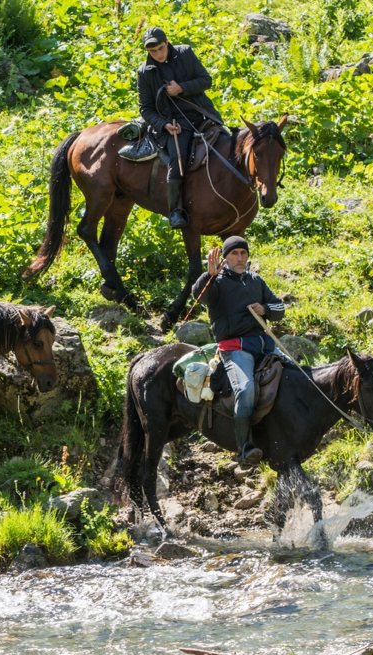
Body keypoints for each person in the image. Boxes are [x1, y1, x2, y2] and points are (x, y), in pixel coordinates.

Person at [192, 235, 285, 465]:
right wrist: (209, 276)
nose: (240, 257)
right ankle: (244, 448)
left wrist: (264, 309)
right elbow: (199, 295)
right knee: (245, 390)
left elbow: (279, 307)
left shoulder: (256, 280)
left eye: (243, 253)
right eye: (234, 253)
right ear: (225, 259)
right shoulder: (217, 282)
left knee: (297, 376)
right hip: (235, 349)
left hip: (265, 345)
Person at [136, 26, 223, 230]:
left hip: (203, 115)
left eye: (160, 48)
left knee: (228, 144)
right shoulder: (144, 72)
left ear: (167, 43)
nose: (158, 54)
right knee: (178, 160)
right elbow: (145, 108)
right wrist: (163, 124)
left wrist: (181, 88)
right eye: (152, 51)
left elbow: (206, 81)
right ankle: (175, 211)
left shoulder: (185, 53)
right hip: (175, 125)